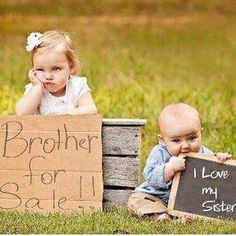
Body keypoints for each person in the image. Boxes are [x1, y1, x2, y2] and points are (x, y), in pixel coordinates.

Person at [128, 103, 231, 222]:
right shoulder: (160, 152)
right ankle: (160, 215)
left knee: (199, 203)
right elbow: (150, 176)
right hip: (158, 197)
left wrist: (220, 159)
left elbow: (214, 172)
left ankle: (182, 216)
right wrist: (170, 168)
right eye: (176, 140)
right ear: (163, 140)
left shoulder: (203, 153)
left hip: (186, 201)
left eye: (192, 138)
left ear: (200, 133)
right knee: (136, 200)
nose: (186, 146)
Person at [15, 30, 97, 115]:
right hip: (43, 128)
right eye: (40, 69)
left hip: (71, 128)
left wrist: (67, 114)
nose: (48, 76)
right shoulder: (34, 90)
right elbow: (21, 114)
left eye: (55, 68)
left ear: (71, 67)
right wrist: (37, 88)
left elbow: (91, 110)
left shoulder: (77, 86)